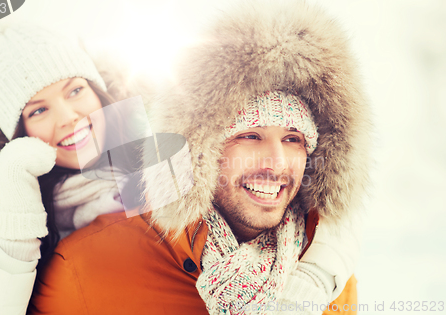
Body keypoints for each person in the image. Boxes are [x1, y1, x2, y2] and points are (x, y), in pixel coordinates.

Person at [28, 2, 370, 314]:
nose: (278, 163)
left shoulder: (325, 265)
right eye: (249, 136)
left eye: (293, 139)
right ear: (200, 150)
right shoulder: (84, 270)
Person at [0, 23, 147, 315]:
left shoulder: (161, 156)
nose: (67, 117)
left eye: (75, 90)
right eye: (38, 110)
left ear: (97, 91)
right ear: (21, 136)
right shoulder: (11, 220)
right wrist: (18, 225)